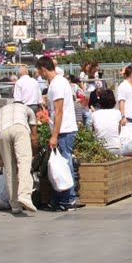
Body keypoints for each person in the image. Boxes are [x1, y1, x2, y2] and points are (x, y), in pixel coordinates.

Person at [37, 56, 84, 210]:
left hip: (63, 131)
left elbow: (58, 111)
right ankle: (58, 199)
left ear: (44, 69)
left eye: (39, 71)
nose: (39, 74)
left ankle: (68, 199)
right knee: (60, 164)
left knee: (64, 164)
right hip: (64, 129)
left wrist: (54, 135)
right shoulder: (60, 82)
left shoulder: (56, 85)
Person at [0, 99, 38, 213]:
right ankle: (24, 195)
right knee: (24, 162)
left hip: (2, 132)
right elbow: (34, 136)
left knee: (9, 169)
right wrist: (34, 151)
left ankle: (15, 205)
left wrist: (0, 156)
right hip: (19, 128)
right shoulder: (27, 109)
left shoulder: (0, 111)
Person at [91, 89, 123, 155]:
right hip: (115, 146)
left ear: (100, 101)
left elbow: (93, 131)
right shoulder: (117, 113)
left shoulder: (94, 114)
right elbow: (119, 131)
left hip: (100, 148)